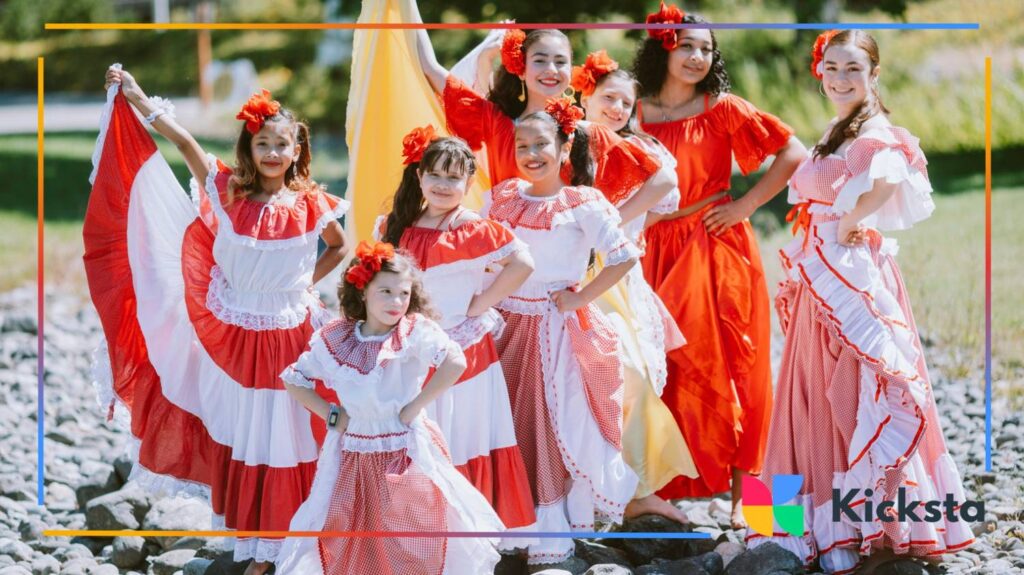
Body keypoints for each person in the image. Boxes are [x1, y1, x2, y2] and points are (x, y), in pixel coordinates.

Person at [86, 66, 348, 573]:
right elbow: (184, 143)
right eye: (263, 143)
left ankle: (290, 537)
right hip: (237, 336)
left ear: (298, 150)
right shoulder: (228, 194)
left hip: (293, 330)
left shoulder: (313, 203)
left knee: (290, 431)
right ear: (249, 149)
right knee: (249, 432)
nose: (273, 153)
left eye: (283, 144)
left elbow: (338, 247)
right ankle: (256, 538)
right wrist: (139, 97)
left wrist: (302, 283)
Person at [748, 30, 975, 573]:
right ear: (819, 70)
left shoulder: (875, 130)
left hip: (851, 276)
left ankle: (859, 528)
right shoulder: (836, 128)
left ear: (874, 74)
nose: (840, 78)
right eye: (831, 67)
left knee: (850, 392)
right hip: (822, 271)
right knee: (804, 392)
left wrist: (851, 219)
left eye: (853, 69)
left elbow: (887, 179)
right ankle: (784, 523)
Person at [633, 2, 808, 526]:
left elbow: (793, 152)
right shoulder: (631, 110)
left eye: (707, 48)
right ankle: (656, 495)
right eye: (687, 45)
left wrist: (745, 205)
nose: (697, 56)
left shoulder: (722, 107)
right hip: (650, 251)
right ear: (662, 47)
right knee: (660, 369)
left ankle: (758, 506)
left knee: (745, 369)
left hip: (717, 243)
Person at [276, 242, 503, 574]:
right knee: (355, 526)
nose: (397, 302)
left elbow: (454, 361)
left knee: (411, 524)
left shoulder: (413, 332)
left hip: (404, 446)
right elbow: (295, 378)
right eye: (385, 291)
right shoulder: (339, 338)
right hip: (354, 449)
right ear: (363, 291)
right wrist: (330, 414)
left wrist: (415, 406)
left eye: (404, 293)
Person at [482, 100, 641, 567]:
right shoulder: (503, 197)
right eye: (522, 146)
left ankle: (550, 532)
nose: (531, 155)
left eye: (541, 145)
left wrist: (580, 297)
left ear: (565, 147)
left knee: (546, 424)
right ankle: (508, 522)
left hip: (552, 327)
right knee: (505, 421)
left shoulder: (580, 204)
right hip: (505, 321)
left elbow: (623, 256)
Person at [373, 129, 538, 544]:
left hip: (460, 347)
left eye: (455, 178)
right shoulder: (399, 224)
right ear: (419, 176)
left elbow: (523, 263)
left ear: (468, 184)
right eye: (436, 176)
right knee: (416, 429)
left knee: (461, 433)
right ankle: (419, 530)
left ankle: (467, 533)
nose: (444, 186)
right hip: (411, 345)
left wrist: (481, 303)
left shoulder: (472, 227)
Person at [572, 50, 698, 522]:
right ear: (585, 95)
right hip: (577, 274)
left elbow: (664, 199)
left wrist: (617, 223)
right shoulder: (569, 141)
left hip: (622, 275)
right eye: (608, 98)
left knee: (635, 374)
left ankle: (635, 487)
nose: (617, 109)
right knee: (598, 377)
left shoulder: (645, 151)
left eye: (626, 102)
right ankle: (600, 487)